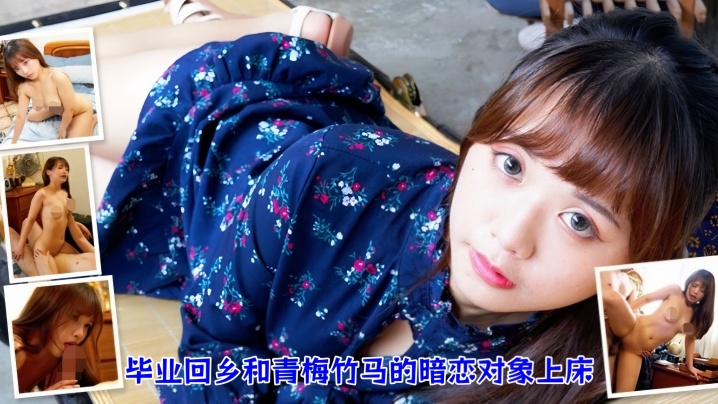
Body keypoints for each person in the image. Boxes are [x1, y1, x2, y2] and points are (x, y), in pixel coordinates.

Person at [92, 4, 718, 402]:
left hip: (223, 246)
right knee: (56, 108)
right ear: (478, 136)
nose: (508, 236)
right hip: (238, 140)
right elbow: (204, 364)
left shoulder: (598, 358)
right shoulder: (329, 170)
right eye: (510, 164)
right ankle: (242, 25)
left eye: (579, 221)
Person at [603, 269, 715, 392]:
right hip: (631, 327)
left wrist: (690, 366)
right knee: (612, 298)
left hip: (635, 351)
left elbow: (690, 339)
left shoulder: (693, 316)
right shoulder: (675, 292)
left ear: (706, 296)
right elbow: (646, 299)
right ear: (690, 282)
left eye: (702, 290)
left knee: (623, 394)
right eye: (694, 285)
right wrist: (623, 312)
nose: (695, 291)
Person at [11, 156, 96, 276]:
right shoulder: (41, 194)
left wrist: (77, 224)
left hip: (61, 245)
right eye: (60, 168)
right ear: (48, 172)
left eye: (67, 169)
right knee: (53, 278)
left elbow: (68, 220)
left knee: (83, 260)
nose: (65, 171)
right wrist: (20, 246)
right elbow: (30, 220)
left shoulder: (67, 195)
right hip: (44, 249)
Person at [12, 283, 103, 393]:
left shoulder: (61, 354)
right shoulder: (15, 350)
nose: (80, 334)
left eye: (87, 325)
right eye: (74, 318)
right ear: (47, 307)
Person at [2, 39, 95, 143]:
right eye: (16, 68)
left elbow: (69, 110)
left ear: (35, 54)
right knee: (31, 117)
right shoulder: (24, 87)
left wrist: (62, 130)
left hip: (79, 110)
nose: (24, 71)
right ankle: (55, 106)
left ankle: (93, 120)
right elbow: (20, 117)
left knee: (73, 141)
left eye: (26, 62)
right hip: (53, 108)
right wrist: (13, 142)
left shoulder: (58, 76)